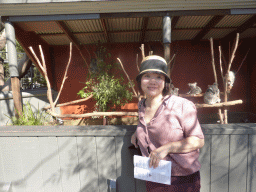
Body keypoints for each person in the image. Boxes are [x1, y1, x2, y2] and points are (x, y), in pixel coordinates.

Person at [131, 55, 205, 192]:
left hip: (182, 181)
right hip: (154, 177)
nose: (152, 81)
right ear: (140, 80)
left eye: (159, 77)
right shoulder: (141, 105)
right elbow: (151, 124)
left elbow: (198, 141)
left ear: (165, 81)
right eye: (147, 75)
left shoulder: (181, 105)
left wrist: (167, 148)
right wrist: (138, 132)